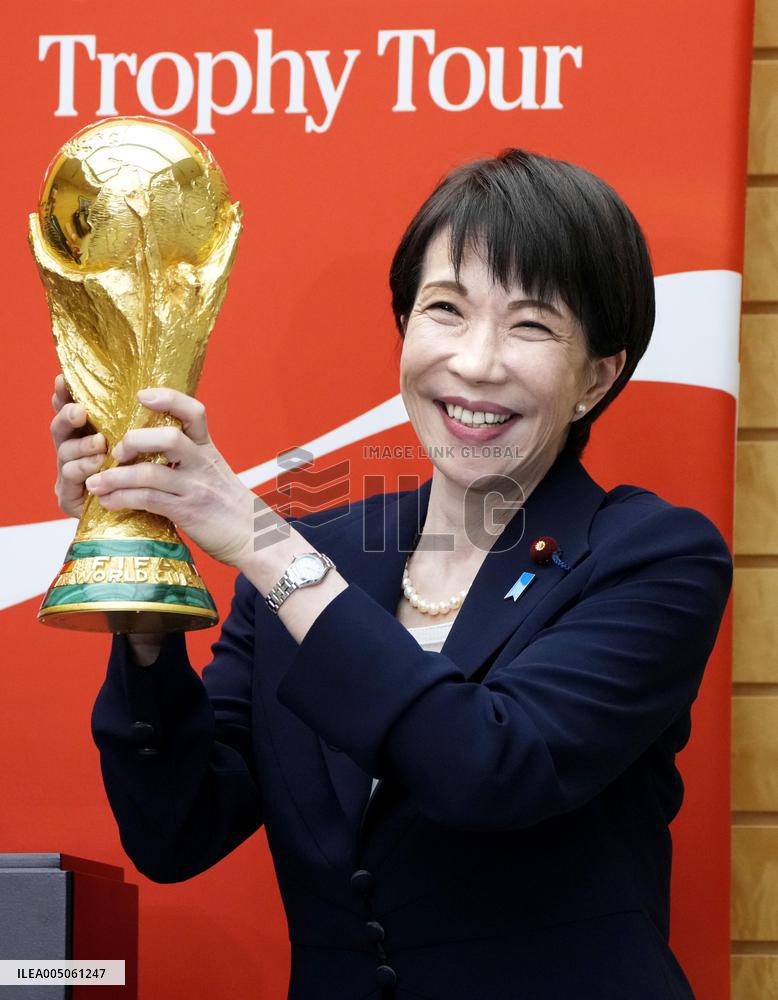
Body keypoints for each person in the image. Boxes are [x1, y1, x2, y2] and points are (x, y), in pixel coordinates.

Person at [50, 148, 732, 999]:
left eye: (530, 325)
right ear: (405, 327)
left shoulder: (652, 555)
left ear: (596, 377)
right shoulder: (317, 553)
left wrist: (261, 542)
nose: (476, 362)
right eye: (445, 310)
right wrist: (139, 576)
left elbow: (492, 766)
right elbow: (177, 831)